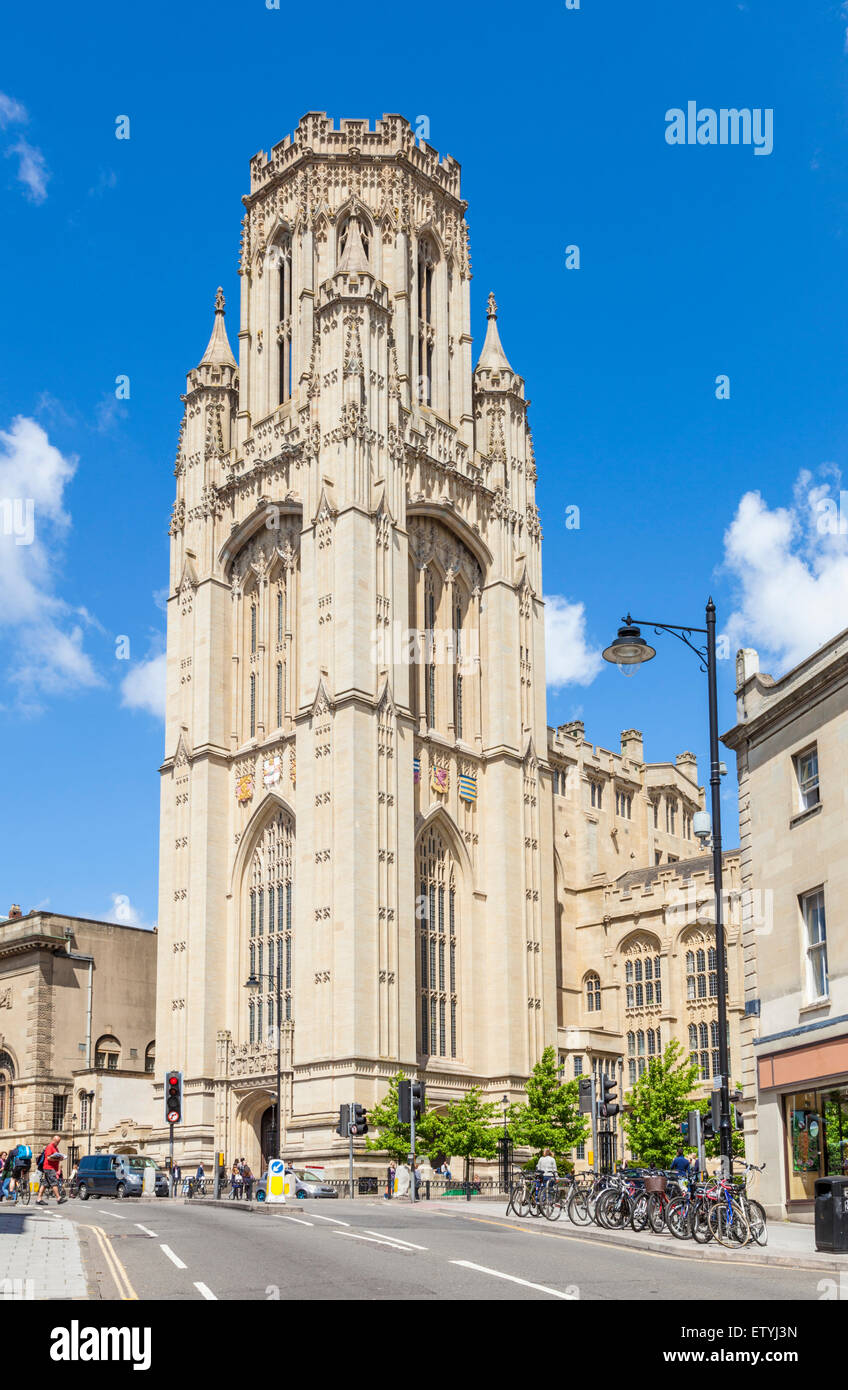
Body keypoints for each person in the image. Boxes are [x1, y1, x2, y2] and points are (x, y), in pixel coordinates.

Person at [36, 1136, 67, 1205]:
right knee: (54, 1182)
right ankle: (58, 1198)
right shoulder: (50, 1146)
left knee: (45, 1184)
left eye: (59, 1142)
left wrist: (61, 1157)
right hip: (49, 1167)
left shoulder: (55, 1147)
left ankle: (39, 1199)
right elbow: (49, 1158)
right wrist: (58, 1159)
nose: (58, 1143)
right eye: (57, 1142)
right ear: (54, 1140)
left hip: (51, 1168)